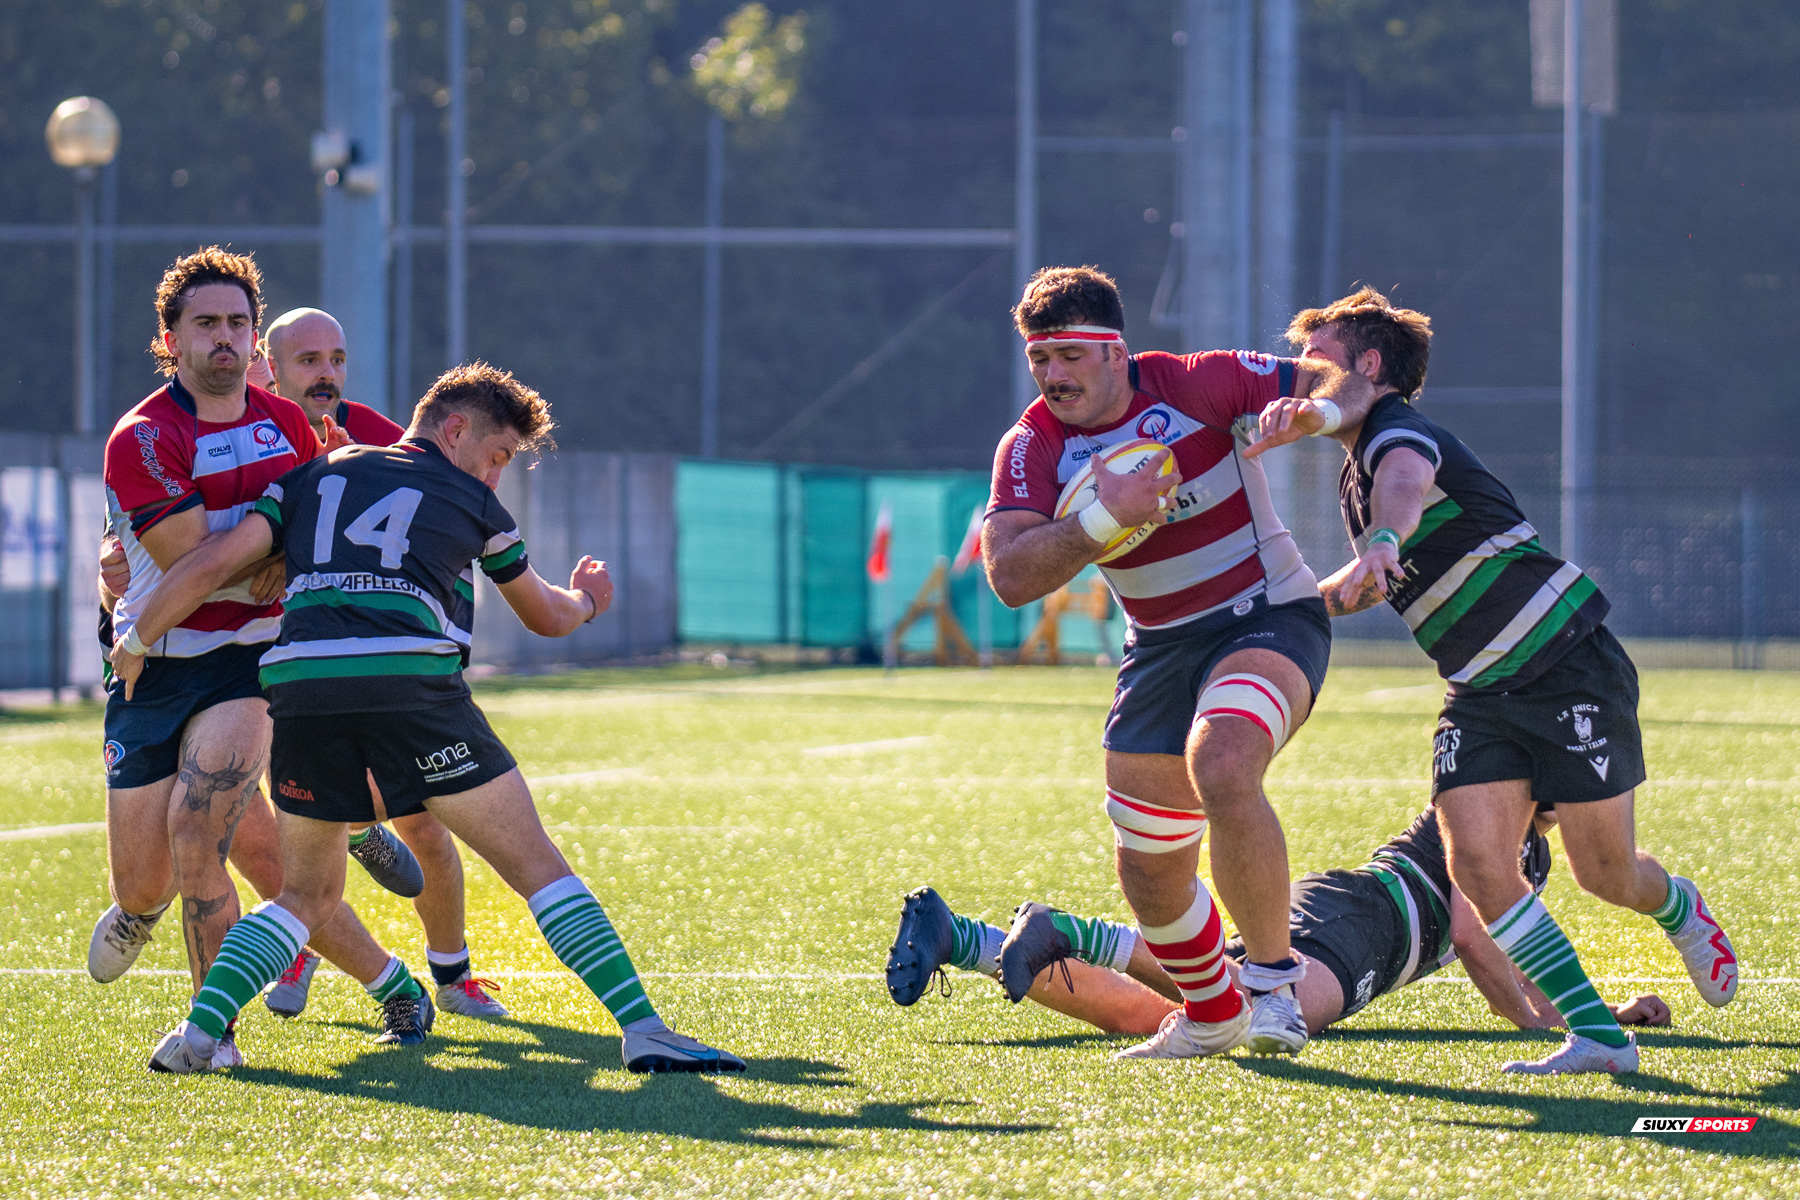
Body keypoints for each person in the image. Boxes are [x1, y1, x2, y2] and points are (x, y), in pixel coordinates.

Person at [113, 361, 743, 1076]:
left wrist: (134, 639)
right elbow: (544, 615)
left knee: (306, 895)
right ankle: (644, 1029)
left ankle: (199, 1034)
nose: (497, 475)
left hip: (299, 683)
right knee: (536, 865)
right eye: (498, 455)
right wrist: (590, 598)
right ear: (454, 429)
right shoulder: (472, 501)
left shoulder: (310, 477)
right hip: (409, 679)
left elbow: (208, 563)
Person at [1242, 287, 1738, 1075]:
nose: (1301, 378)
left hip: (1566, 662)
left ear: (1369, 367)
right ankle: (1599, 1037)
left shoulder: (1397, 433)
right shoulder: (1351, 473)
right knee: (1474, 864)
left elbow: (1403, 489)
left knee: (1606, 874)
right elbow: (1373, 575)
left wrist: (1382, 537)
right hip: (1481, 691)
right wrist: (1282, 604)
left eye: (1319, 361)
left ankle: (1678, 907)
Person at [973, 265, 1372, 1059]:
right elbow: (1009, 577)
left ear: (1116, 352)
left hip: (1267, 615)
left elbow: (1347, 380)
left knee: (1221, 762)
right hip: (1157, 645)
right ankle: (1214, 1013)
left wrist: (1313, 412)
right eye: (1038, 359)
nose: (1053, 375)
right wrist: (1097, 518)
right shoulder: (1030, 445)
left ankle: (1271, 993)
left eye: (1069, 356)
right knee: (1150, 870)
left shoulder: (1198, 383)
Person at [91, 247, 439, 1056]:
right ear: (169, 338)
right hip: (152, 664)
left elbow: (315, 531)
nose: (225, 339)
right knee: (188, 874)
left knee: (196, 828)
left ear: (255, 338)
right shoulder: (143, 437)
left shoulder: (288, 422)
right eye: (205, 324)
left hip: (254, 658)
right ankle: (394, 983)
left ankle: (216, 1034)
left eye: (237, 324)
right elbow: (188, 558)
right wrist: (262, 549)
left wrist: (277, 556)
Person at [887, 806, 1671, 1040]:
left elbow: (1514, 946)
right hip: (1364, 925)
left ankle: (972, 941)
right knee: (1245, 1013)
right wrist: (1544, 1029)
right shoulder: (1492, 815)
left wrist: (1592, 1012)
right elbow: (1470, 934)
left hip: (1355, 920)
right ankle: (1056, 932)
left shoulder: (1527, 843)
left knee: (1193, 1012)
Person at [256, 305, 506, 1021]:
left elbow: (429, 522)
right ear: (271, 369)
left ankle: (452, 976)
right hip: (278, 660)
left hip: (375, 659)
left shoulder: (371, 433)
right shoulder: (247, 437)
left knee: (425, 824)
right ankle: (305, 943)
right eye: (309, 361)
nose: (327, 374)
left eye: (336, 358)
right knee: (296, 830)